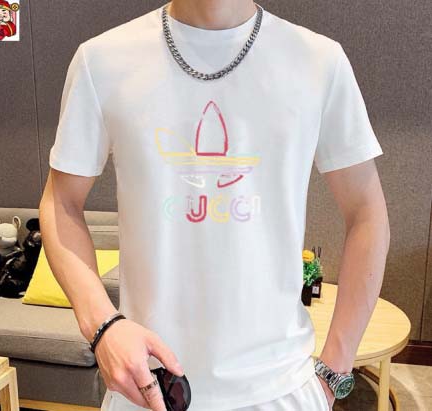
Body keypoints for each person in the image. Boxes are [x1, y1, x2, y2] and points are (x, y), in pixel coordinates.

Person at [39, 1, 390, 410]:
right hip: (149, 387)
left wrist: (335, 369)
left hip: (282, 388)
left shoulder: (319, 61)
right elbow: (61, 202)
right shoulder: (102, 61)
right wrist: (102, 325)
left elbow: (366, 212)